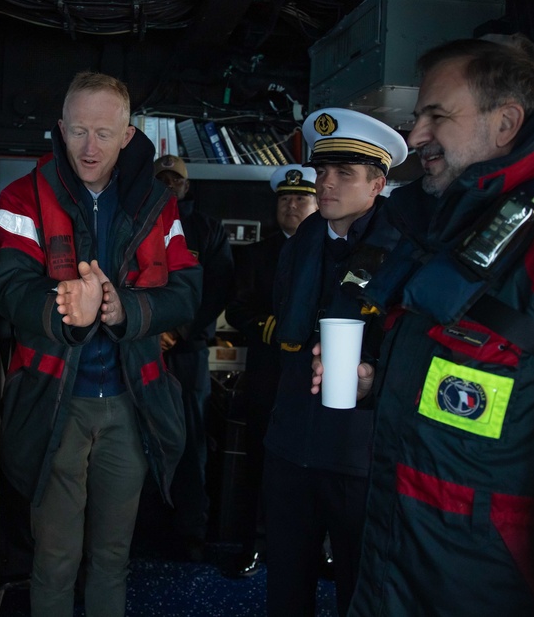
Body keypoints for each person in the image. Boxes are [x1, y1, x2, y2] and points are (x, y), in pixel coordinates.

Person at [315, 36, 534, 616]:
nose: (417, 134)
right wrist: (379, 381)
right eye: (418, 115)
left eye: (437, 116)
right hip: (394, 568)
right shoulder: (441, 230)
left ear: (505, 123)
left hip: (489, 586)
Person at [0, 71, 201, 617]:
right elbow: (10, 290)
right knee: (55, 558)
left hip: (131, 406)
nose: (90, 147)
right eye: (78, 131)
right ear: (60, 129)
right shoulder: (22, 196)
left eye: (104, 134)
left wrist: (125, 310)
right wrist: (70, 313)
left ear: (128, 136)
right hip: (55, 402)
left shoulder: (159, 204)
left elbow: (186, 292)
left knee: (113, 557)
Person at [264, 108, 407, 617]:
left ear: (377, 185)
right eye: (323, 171)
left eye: (344, 174)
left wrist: (375, 376)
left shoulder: (404, 255)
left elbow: (413, 352)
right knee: (286, 584)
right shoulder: (300, 246)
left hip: (357, 458)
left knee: (360, 589)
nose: (325, 184)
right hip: (290, 445)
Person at [222, 162, 317, 578]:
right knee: (258, 465)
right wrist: (271, 329)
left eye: (300, 198)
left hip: (316, 379)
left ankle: (319, 549)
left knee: (317, 468)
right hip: (269, 375)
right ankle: (251, 546)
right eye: (285, 199)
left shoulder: (334, 252)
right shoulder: (259, 254)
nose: (291, 205)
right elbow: (239, 308)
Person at [152, 153, 234, 560]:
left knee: (190, 441)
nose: (169, 186)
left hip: (187, 354)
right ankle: (141, 529)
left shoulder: (207, 230)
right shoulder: (136, 224)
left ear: (186, 187)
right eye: (162, 178)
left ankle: (190, 532)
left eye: (176, 180)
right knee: (136, 440)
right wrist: (151, 332)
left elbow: (217, 289)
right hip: (142, 350)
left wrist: (177, 331)